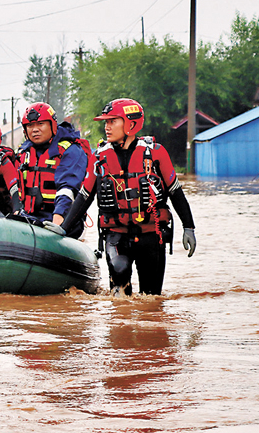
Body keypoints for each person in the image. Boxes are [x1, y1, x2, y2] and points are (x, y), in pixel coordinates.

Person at [60, 98, 197, 296]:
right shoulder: (98, 157)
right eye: (105, 122)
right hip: (116, 236)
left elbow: (176, 192)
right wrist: (63, 228)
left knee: (151, 299)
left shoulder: (156, 154)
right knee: (119, 290)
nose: (106, 127)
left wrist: (188, 227)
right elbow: (84, 197)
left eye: (112, 121)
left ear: (131, 124)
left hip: (152, 235)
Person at [15, 102, 92, 238]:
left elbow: (68, 188)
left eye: (40, 124)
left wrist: (58, 221)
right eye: (30, 125)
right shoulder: (24, 152)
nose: (35, 130)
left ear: (53, 125)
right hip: (30, 218)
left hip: (62, 220)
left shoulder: (71, 150)